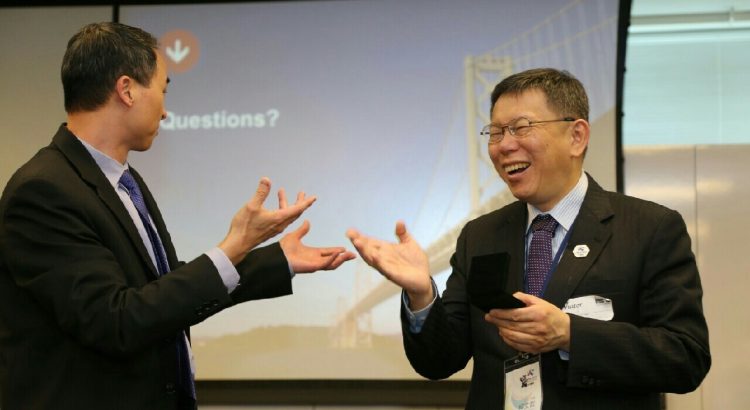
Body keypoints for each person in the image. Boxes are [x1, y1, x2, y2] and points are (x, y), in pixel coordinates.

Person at [0, 22, 355, 410]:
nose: (166, 111)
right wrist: (234, 244)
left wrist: (277, 259)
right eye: (163, 90)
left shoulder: (126, 181)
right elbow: (117, 321)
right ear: (126, 90)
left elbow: (163, 290)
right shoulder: (43, 191)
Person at [348, 68, 710, 409]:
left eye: (521, 128)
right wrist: (421, 295)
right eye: (495, 132)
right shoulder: (479, 236)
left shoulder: (649, 228)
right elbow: (438, 361)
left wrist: (570, 334)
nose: (504, 146)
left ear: (577, 136)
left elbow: (685, 357)